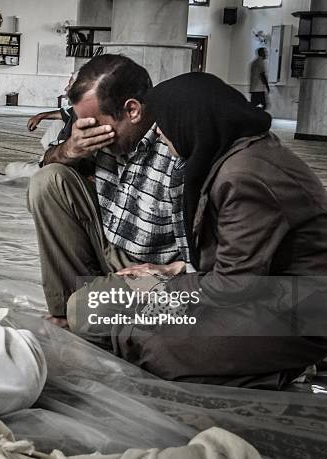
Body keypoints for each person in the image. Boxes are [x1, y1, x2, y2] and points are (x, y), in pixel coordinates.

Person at [113, 72, 327, 389]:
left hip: (300, 311)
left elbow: (235, 284)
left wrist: (164, 290)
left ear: (191, 120)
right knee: (118, 317)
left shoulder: (246, 174)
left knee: (150, 343)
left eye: (165, 122)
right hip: (271, 295)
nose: (158, 133)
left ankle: (285, 367)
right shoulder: (234, 156)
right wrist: (173, 272)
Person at [27, 54, 189, 328]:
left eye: (94, 124)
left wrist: (172, 271)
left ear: (132, 110)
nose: (88, 133)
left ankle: (87, 312)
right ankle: (67, 311)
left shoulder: (174, 146)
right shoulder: (99, 140)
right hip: (111, 247)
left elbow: (211, 264)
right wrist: (70, 149)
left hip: (155, 272)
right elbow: (47, 166)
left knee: (91, 312)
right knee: (48, 180)